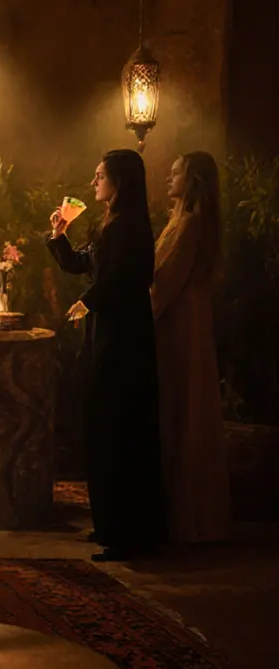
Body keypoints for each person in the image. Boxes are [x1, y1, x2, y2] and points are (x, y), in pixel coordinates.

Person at [47, 149, 167, 561]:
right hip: (107, 330)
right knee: (102, 425)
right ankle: (110, 524)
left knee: (120, 427)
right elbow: (85, 264)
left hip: (124, 336)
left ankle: (128, 532)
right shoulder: (110, 224)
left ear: (120, 181)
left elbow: (121, 280)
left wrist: (87, 302)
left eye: (100, 176)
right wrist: (58, 236)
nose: (94, 182)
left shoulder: (131, 227)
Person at [151, 152, 230, 544]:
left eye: (177, 170)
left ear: (194, 179)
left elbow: (165, 279)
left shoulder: (191, 225)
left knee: (185, 408)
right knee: (179, 408)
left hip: (181, 324)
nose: (169, 176)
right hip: (179, 321)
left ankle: (189, 516)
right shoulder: (179, 220)